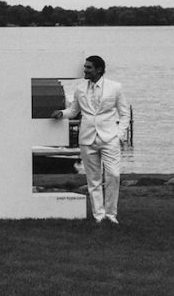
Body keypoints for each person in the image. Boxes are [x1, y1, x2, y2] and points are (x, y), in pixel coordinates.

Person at [52, 55, 130, 224]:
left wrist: (120, 135)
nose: (85, 70)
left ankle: (111, 214)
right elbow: (73, 111)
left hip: (110, 138)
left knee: (113, 175)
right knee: (93, 179)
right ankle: (99, 216)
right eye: (85, 67)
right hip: (87, 138)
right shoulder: (80, 89)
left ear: (99, 69)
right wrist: (61, 114)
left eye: (88, 67)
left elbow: (124, 114)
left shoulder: (115, 87)